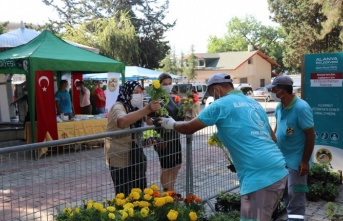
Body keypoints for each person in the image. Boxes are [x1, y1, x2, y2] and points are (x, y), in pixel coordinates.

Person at [158, 73, 288, 221]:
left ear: (217, 89)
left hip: (259, 176)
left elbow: (188, 127)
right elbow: (273, 138)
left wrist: (169, 123)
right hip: (278, 168)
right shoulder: (253, 103)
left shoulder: (221, 104)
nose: (214, 97)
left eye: (213, 94)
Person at [266, 75, 315, 221]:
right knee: (287, 194)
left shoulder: (302, 108)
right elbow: (277, 129)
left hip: (297, 162)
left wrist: (305, 162)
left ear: (282, 90)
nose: (272, 92)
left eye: (274, 89)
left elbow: (311, 136)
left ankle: (296, 218)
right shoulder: (280, 107)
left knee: (296, 195)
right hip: (282, 159)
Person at [105, 80, 161, 196]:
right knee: (124, 192)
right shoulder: (118, 107)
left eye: (140, 92)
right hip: (120, 156)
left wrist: (160, 119)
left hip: (135, 154)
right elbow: (122, 121)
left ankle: (138, 212)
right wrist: (147, 109)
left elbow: (148, 121)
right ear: (127, 92)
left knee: (139, 189)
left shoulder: (134, 107)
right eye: (135, 92)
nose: (138, 95)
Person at [148, 73, 184, 192]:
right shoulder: (154, 99)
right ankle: (167, 193)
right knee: (166, 167)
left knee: (177, 165)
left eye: (169, 84)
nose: (168, 86)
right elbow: (148, 120)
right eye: (165, 84)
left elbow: (177, 115)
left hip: (174, 135)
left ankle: (171, 190)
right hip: (162, 137)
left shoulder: (172, 98)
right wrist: (158, 121)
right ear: (159, 84)